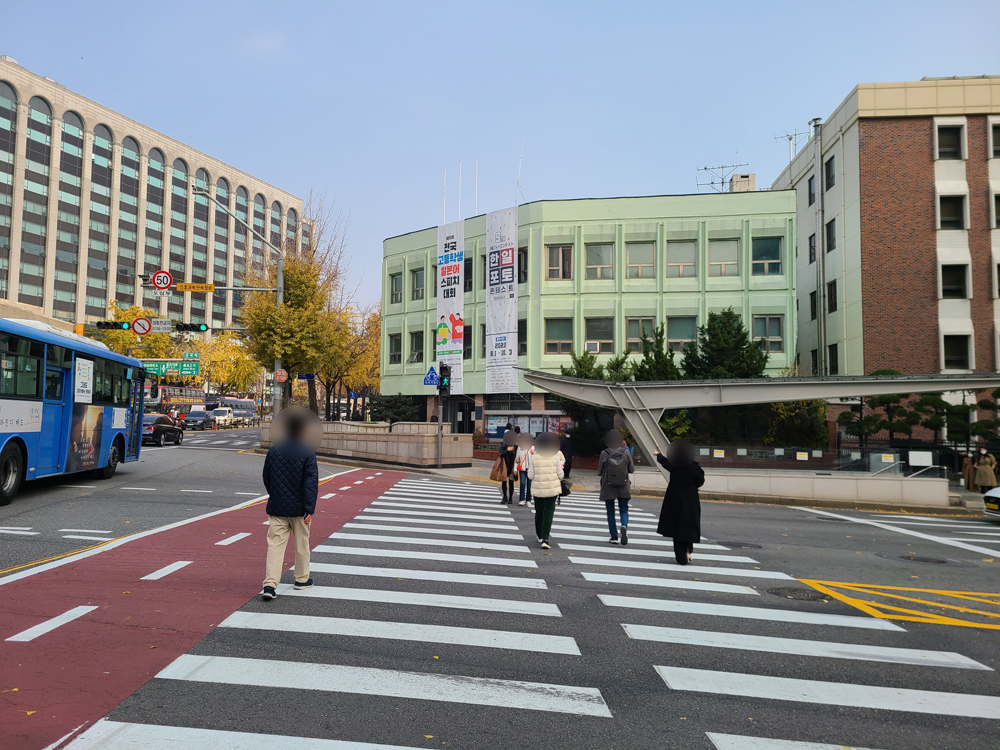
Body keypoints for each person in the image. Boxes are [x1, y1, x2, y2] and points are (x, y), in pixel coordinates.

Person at [261, 413, 319, 600]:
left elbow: (267, 477)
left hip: (277, 507)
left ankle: (270, 585)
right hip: (300, 509)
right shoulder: (307, 452)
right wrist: (309, 508)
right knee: (302, 544)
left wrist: (275, 495)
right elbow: (310, 483)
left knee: (275, 545)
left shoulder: (274, 450)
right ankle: (301, 579)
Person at [654, 440, 704, 565]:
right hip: (691, 500)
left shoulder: (673, 465)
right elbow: (700, 481)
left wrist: (658, 455)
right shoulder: (694, 467)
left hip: (674, 499)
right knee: (689, 525)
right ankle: (688, 547)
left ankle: (681, 556)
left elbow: (664, 462)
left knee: (676, 526)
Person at [528, 432, 563, 549]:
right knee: (548, 513)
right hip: (552, 490)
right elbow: (561, 475)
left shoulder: (533, 458)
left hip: (538, 489)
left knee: (539, 512)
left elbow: (530, 475)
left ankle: (539, 535)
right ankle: (545, 538)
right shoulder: (556, 458)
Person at [598, 430, 635, 545]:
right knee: (624, 509)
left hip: (608, 485)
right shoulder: (626, 452)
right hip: (623, 485)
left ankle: (614, 536)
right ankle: (624, 525)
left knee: (610, 511)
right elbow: (632, 469)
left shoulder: (604, 453)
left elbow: (600, 471)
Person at [497, 434, 517, 504]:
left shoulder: (515, 446)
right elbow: (501, 455)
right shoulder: (503, 445)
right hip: (504, 466)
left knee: (511, 482)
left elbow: (517, 456)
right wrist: (507, 450)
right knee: (504, 482)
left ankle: (510, 497)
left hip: (512, 466)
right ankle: (504, 496)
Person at [515, 434, 534, 506]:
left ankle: (528, 500)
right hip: (522, 468)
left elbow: (536, 458)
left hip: (530, 469)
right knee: (522, 483)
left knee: (529, 485)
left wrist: (534, 453)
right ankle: (522, 499)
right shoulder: (519, 448)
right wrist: (515, 469)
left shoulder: (532, 447)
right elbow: (517, 459)